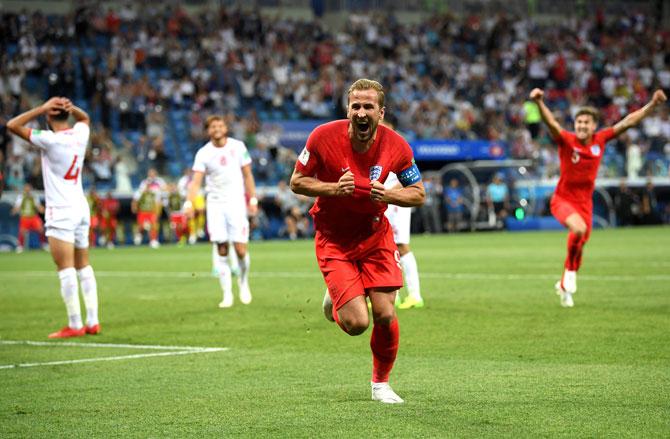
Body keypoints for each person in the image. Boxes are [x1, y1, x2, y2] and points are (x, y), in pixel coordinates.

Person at [290, 79, 425, 404]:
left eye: (368, 107)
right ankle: (337, 298)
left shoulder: (397, 146)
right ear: (348, 109)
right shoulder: (322, 137)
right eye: (356, 106)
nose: (361, 112)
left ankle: (381, 384)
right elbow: (297, 181)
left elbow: (419, 193)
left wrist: (389, 194)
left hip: (374, 235)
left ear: (381, 112)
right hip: (334, 239)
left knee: (384, 314)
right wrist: (334, 188)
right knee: (355, 323)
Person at [531, 87, 667, 307]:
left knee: (581, 242)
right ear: (575, 125)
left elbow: (628, 122)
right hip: (563, 200)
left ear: (594, 126)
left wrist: (652, 104)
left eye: (586, 122)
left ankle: (565, 284)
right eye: (579, 122)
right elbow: (552, 124)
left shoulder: (600, 140)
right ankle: (570, 274)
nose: (582, 126)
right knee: (578, 230)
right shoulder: (567, 140)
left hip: (585, 203)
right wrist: (539, 103)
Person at [7, 97, 100, 338]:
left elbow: (12, 125)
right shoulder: (80, 134)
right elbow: (85, 118)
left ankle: (75, 324)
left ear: (49, 117)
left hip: (60, 210)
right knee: (84, 265)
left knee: (65, 268)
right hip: (80, 207)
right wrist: (73, 108)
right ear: (67, 116)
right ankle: (93, 321)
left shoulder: (50, 139)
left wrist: (41, 107)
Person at [185, 115, 258, 308]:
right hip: (215, 205)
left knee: (241, 249)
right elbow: (196, 182)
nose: (216, 129)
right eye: (212, 126)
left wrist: (253, 198)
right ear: (208, 131)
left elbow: (248, 175)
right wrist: (188, 203)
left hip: (236, 203)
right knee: (222, 249)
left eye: (220, 125)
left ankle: (243, 282)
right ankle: (227, 294)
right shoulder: (203, 153)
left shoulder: (238, 147)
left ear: (225, 128)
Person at [379, 119, 424, 310]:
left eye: (384, 124)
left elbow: (406, 178)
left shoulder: (398, 144)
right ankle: (393, 296)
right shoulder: (377, 144)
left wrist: (388, 193)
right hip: (384, 199)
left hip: (396, 201)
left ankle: (415, 295)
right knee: (387, 245)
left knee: (401, 245)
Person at [131, 168, 165, 248]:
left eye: (153, 173)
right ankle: (139, 234)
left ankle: (153, 240)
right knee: (141, 225)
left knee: (154, 224)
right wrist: (134, 206)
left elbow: (163, 193)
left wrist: (160, 204)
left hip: (153, 208)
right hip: (143, 209)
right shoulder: (143, 185)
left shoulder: (159, 183)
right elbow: (136, 197)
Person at [12, 183, 47, 253]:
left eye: (29, 188)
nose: (27, 189)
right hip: (24, 217)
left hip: (33, 216)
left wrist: (43, 210)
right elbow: (17, 207)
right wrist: (14, 210)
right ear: (24, 189)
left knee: (41, 229)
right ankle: (20, 246)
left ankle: (44, 244)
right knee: (22, 231)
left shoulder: (34, 197)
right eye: (26, 188)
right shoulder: (21, 197)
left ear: (31, 189)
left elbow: (38, 206)